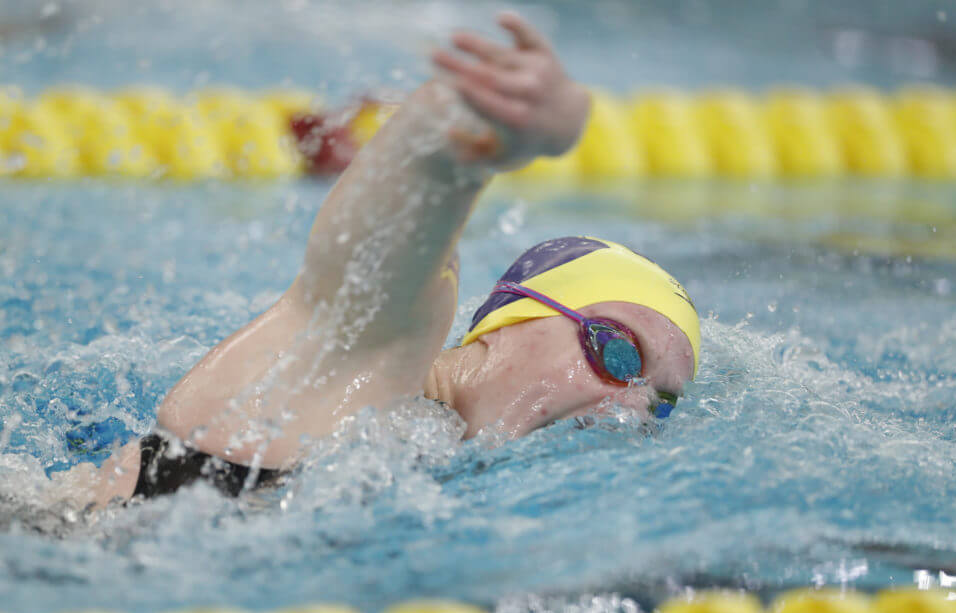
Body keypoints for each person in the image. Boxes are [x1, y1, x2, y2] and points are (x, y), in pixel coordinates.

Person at [56, 12, 700, 509]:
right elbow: (389, 235)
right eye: (617, 354)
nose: (629, 410)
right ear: (515, 318)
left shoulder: (437, 468)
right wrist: (485, 132)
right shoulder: (371, 360)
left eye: (662, 404)